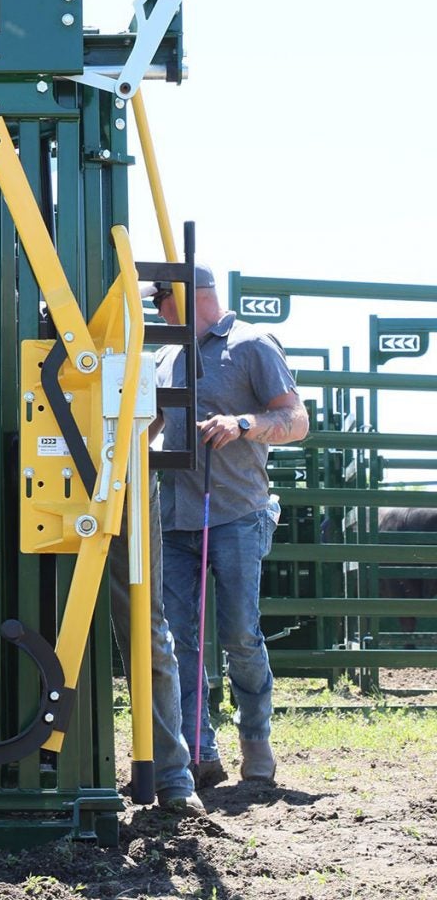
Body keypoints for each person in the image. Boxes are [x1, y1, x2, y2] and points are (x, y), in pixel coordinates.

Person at [0, 262, 203, 814]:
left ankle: (172, 777)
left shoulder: (71, 337)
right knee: (35, 621)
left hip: (114, 491)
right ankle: (46, 758)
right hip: (37, 505)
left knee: (142, 623)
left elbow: (148, 417)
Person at [150, 261, 309, 787]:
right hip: (175, 520)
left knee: (240, 635)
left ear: (190, 296)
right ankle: (199, 751)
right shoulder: (164, 355)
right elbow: (147, 425)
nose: (155, 309)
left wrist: (244, 424)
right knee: (179, 640)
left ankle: (255, 740)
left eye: (160, 299)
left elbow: (296, 420)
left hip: (238, 513)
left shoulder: (251, 344)